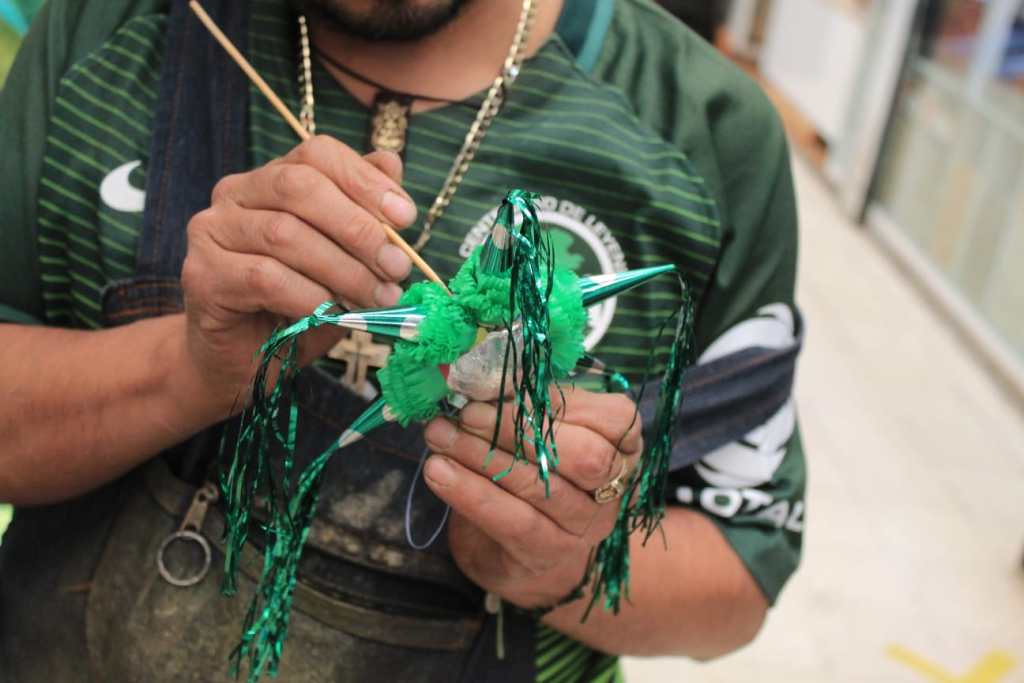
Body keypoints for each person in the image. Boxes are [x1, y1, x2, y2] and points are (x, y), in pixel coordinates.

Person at [0, 0, 806, 681]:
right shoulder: (115, 31)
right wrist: (186, 370)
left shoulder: (702, 134)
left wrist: (550, 558)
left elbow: (740, 571)